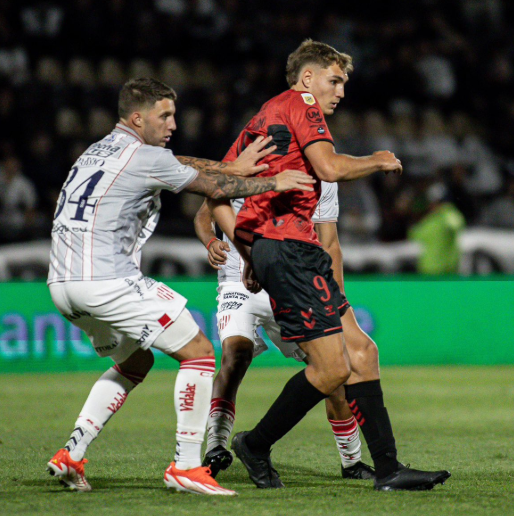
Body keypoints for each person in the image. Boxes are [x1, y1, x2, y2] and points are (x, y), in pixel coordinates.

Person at [45, 77, 315, 496]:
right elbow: (213, 188)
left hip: (62, 285)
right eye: (164, 115)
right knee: (200, 353)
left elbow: (181, 162)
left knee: (136, 364)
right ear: (138, 117)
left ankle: (71, 453)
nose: (174, 122)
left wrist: (231, 165)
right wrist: (271, 181)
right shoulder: (144, 156)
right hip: (106, 281)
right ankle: (186, 466)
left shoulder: (98, 150)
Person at [224, 39, 450, 491]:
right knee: (331, 370)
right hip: (288, 249)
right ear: (308, 78)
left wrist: (249, 251)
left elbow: (221, 183)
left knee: (362, 353)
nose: (341, 91)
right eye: (335, 80)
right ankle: (255, 444)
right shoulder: (301, 103)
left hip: (292, 250)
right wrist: (376, 160)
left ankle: (388, 469)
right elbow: (328, 167)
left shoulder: (266, 115)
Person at [193, 181, 375, 482]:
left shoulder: (324, 177)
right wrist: (211, 242)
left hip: (291, 284)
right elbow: (204, 214)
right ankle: (215, 447)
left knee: (333, 369)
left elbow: (330, 243)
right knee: (236, 354)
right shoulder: (247, 160)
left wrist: (337, 299)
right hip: (238, 284)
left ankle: (352, 461)